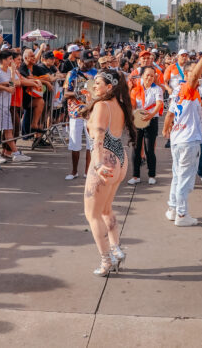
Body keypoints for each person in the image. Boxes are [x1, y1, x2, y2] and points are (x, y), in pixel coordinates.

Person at [82, 68, 136, 276]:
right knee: (105, 210)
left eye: (98, 83)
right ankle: (116, 249)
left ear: (110, 87)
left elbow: (98, 138)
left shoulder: (102, 105)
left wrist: (96, 164)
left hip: (104, 162)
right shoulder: (119, 106)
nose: (94, 86)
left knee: (92, 214)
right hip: (119, 160)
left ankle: (106, 260)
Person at [163, 44, 202, 227]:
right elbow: (194, 76)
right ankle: (182, 215)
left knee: (177, 176)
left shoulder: (177, 90)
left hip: (177, 139)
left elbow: (169, 114)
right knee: (185, 179)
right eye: (196, 73)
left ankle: (173, 208)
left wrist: (166, 130)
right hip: (188, 141)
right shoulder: (188, 88)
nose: (199, 75)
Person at [0, 50, 30, 163]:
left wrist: (12, 76)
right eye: (9, 59)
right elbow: (12, 85)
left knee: (8, 130)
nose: (11, 61)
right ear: (2, 60)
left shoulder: (9, 71)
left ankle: (15, 153)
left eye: (12, 59)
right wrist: (12, 75)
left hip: (6, 104)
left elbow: (17, 83)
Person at [128, 66, 164, 185]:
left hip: (151, 120)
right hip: (138, 121)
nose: (149, 77)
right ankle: (135, 175)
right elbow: (132, 106)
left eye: (152, 76)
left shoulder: (157, 89)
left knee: (149, 149)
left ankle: (152, 174)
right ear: (142, 76)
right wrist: (133, 118)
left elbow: (159, 104)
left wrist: (151, 114)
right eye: (147, 75)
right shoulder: (136, 90)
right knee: (136, 148)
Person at [64, 52, 95, 179]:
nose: (90, 64)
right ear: (80, 61)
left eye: (91, 61)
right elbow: (66, 93)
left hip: (90, 112)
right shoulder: (72, 74)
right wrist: (78, 93)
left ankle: (88, 172)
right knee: (75, 142)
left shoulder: (96, 73)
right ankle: (74, 171)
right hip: (75, 112)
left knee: (90, 143)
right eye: (87, 61)